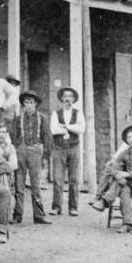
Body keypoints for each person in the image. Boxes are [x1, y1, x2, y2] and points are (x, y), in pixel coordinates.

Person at [89, 125, 132, 233]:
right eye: (129, 138)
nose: (131, 140)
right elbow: (114, 169)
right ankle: (127, 224)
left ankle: (104, 201)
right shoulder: (123, 153)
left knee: (121, 184)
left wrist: (126, 174)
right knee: (123, 188)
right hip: (125, 184)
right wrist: (118, 175)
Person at [10, 92, 53, 225]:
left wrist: (45, 154)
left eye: (31, 102)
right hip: (21, 152)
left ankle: (39, 215)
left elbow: (47, 137)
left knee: (36, 185)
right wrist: (17, 147)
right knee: (19, 185)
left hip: (35, 152)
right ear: (23, 104)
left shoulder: (42, 118)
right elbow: (13, 135)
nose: (29, 105)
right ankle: (17, 215)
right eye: (26, 102)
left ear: (36, 104)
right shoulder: (18, 119)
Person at [50, 87, 85, 216]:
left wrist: (66, 126)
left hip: (74, 147)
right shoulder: (56, 112)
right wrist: (68, 129)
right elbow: (53, 130)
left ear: (74, 99)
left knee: (74, 178)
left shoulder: (78, 112)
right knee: (58, 179)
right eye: (65, 96)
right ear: (61, 99)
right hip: (59, 148)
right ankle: (56, 207)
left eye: (70, 96)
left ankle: (73, 207)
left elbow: (82, 129)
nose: (68, 99)